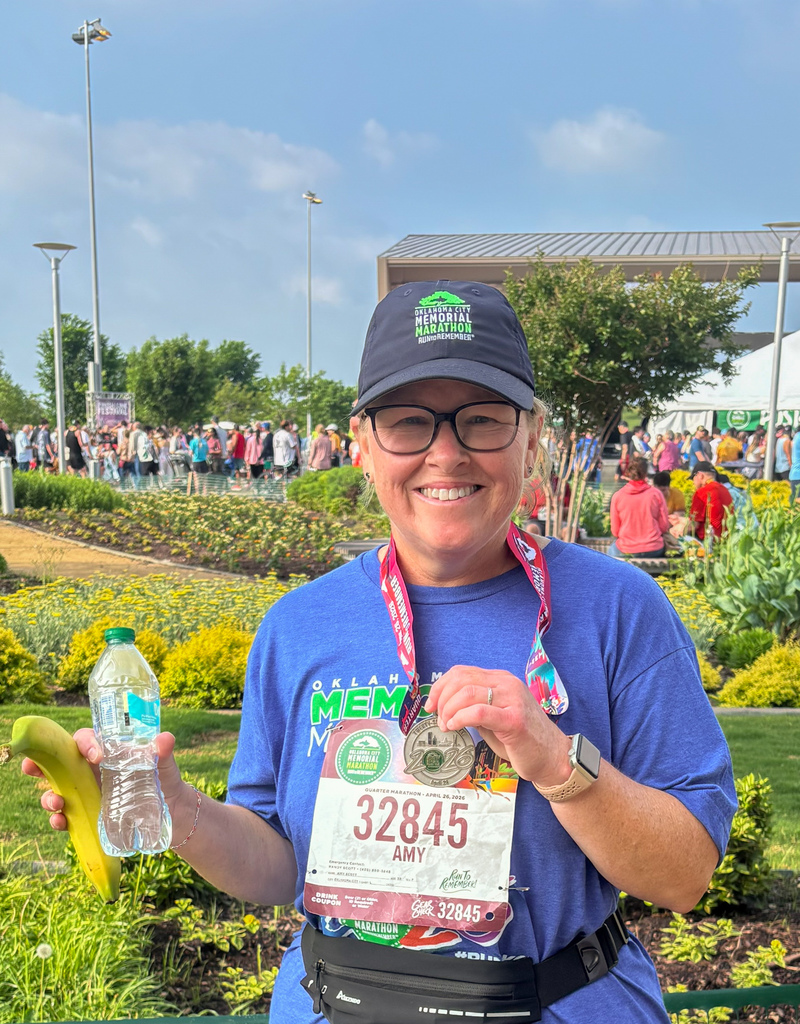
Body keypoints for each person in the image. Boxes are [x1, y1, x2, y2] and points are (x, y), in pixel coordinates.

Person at [26, 281, 735, 1024]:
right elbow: (276, 864)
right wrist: (175, 807)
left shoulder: (618, 610)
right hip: (332, 1003)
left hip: (553, 1004)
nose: (446, 453)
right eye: (408, 424)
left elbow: (684, 875)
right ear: (363, 445)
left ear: (531, 438)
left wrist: (555, 760)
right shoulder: (298, 625)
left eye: (483, 420)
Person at [608, 457, 669, 558]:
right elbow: (664, 526)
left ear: (628, 473)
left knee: (610, 553)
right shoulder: (656, 494)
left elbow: (615, 531)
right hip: (654, 549)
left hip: (626, 549)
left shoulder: (618, 496)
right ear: (645, 474)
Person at [689, 462, 733, 541]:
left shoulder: (701, 492)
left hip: (707, 541)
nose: (693, 482)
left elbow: (694, 524)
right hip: (726, 539)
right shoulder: (725, 490)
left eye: (693, 478)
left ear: (700, 476)